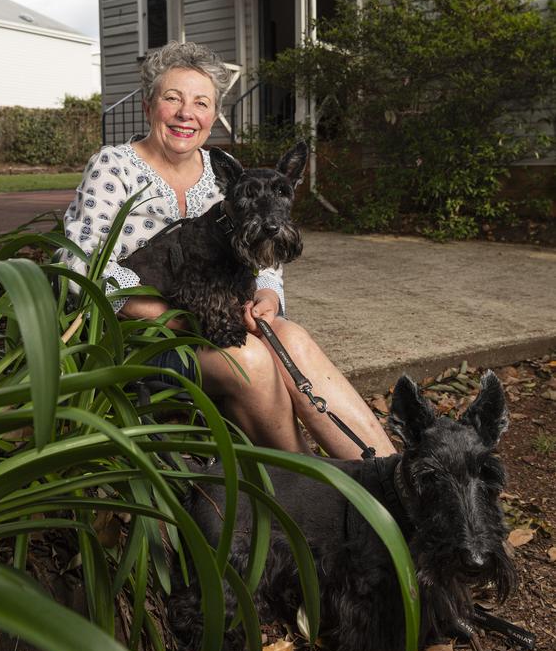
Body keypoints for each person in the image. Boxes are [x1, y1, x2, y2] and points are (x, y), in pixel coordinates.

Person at [63, 40, 394, 460]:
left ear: (212, 115)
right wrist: (168, 317)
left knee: (293, 339)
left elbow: (261, 247)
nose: (187, 113)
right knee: (251, 359)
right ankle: (312, 484)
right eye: (172, 98)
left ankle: (390, 476)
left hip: (215, 317)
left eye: (201, 103)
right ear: (149, 106)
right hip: (135, 335)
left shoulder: (222, 175)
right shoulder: (114, 166)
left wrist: (268, 295)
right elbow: (78, 261)